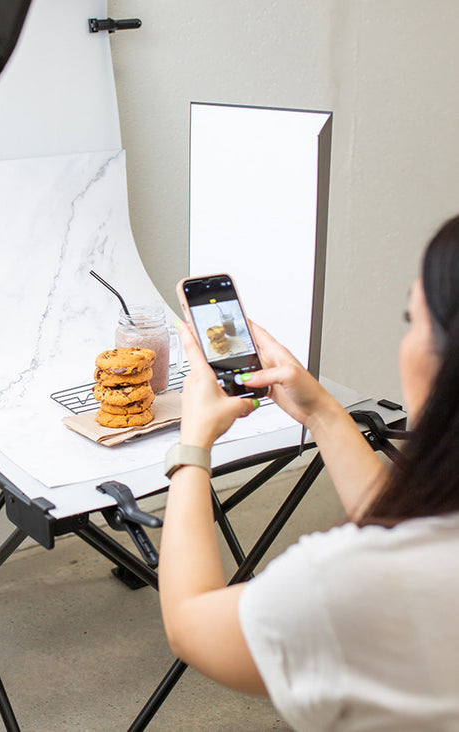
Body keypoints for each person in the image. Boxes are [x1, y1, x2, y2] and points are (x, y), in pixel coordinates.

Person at [159, 214, 459, 730]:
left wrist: (192, 445)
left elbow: (191, 625)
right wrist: (319, 410)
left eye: (413, 319)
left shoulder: (343, 585)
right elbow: (409, 532)